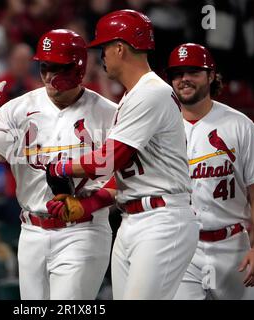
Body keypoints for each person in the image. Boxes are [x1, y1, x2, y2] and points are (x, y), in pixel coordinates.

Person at [45, 10, 200, 299]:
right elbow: (123, 172)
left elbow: (109, 160)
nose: (101, 55)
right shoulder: (133, 95)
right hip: (134, 218)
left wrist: (62, 167)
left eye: (104, 47)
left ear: (119, 48)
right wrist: (87, 205)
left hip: (162, 219)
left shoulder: (150, 92)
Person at [0, 29, 117, 300]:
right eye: (44, 66)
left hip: (83, 229)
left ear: (78, 68)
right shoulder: (17, 109)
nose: (48, 75)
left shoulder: (108, 113)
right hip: (31, 230)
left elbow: (126, 178)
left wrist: (89, 204)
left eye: (57, 68)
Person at [165, 43, 254, 300]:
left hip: (233, 246)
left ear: (210, 76)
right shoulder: (162, 128)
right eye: (177, 73)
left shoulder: (238, 125)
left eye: (193, 72)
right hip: (182, 247)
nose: (184, 79)